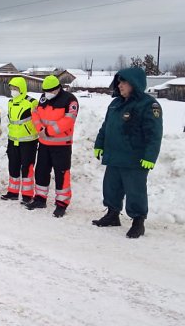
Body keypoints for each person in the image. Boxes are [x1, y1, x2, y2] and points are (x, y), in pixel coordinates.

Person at [92, 67, 163, 238]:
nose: (120, 85)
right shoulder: (115, 103)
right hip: (114, 156)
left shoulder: (148, 104)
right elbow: (106, 127)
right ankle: (112, 215)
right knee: (111, 187)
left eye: (124, 82)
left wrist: (150, 157)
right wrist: (99, 144)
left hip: (134, 159)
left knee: (135, 191)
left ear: (135, 83)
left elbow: (154, 134)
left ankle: (138, 221)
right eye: (119, 82)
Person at [26, 75, 79, 218]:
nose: (46, 93)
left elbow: (68, 121)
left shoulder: (70, 100)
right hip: (44, 144)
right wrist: (40, 129)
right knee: (41, 172)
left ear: (57, 89)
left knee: (62, 174)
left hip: (61, 146)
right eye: (45, 91)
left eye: (49, 91)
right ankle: (40, 199)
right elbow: (35, 113)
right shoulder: (43, 98)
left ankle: (62, 204)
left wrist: (48, 131)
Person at [0, 77, 38, 202]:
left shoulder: (32, 102)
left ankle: (27, 195)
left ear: (22, 89)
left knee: (27, 168)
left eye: (15, 88)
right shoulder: (10, 102)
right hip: (13, 140)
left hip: (28, 141)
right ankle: (13, 192)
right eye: (11, 88)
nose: (12, 91)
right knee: (13, 166)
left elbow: (38, 120)